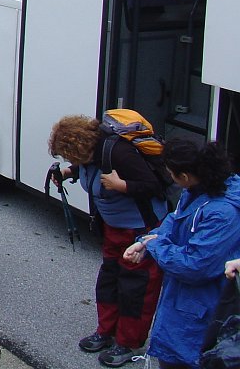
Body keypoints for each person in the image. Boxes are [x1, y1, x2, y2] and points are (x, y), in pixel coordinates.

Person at [49, 115, 168, 367]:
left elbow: (153, 186)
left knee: (136, 288)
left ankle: (128, 342)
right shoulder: (92, 153)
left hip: (140, 230)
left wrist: (121, 185)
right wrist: (68, 172)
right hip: (114, 228)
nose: (69, 161)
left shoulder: (119, 152)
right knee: (109, 280)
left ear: (79, 147)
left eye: (69, 157)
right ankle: (105, 331)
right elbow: (88, 168)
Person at [123, 140, 240, 369]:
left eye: (170, 173)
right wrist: (147, 240)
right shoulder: (200, 186)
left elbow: (193, 265)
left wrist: (155, 246)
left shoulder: (222, 212)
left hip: (201, 312)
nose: (170, 177)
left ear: (184, 176)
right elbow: (175, 220)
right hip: (185, 304)